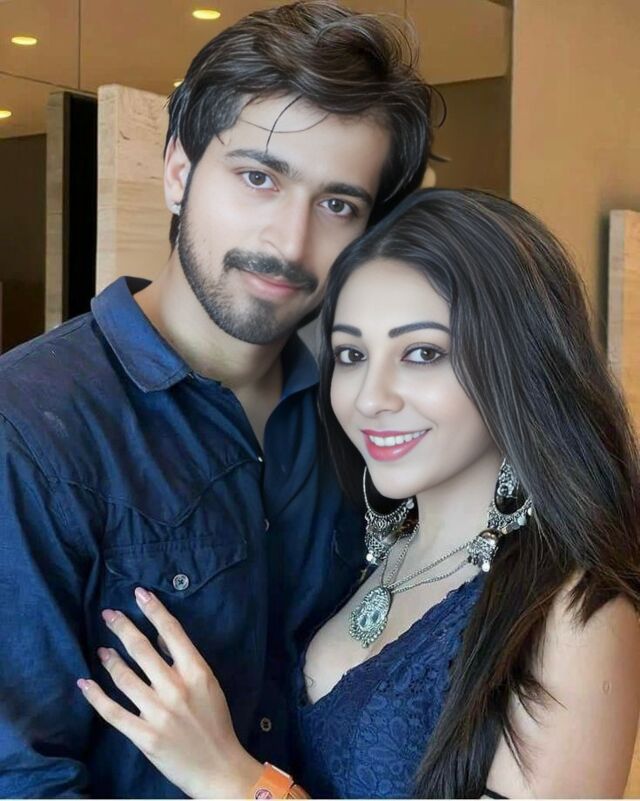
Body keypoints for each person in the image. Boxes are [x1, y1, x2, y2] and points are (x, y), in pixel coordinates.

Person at [0, 3, 434, 796]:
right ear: (178, 170)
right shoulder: (27, 428)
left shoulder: (361, 423)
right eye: (259, 177)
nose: (290, 242)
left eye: (338, 204)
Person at [79, 189, 640, 799]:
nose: (371, 397)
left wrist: (230, 777)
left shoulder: (578, 613)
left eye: (422, 353)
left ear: (519, 364)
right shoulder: (362, 549)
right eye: (351, 354)